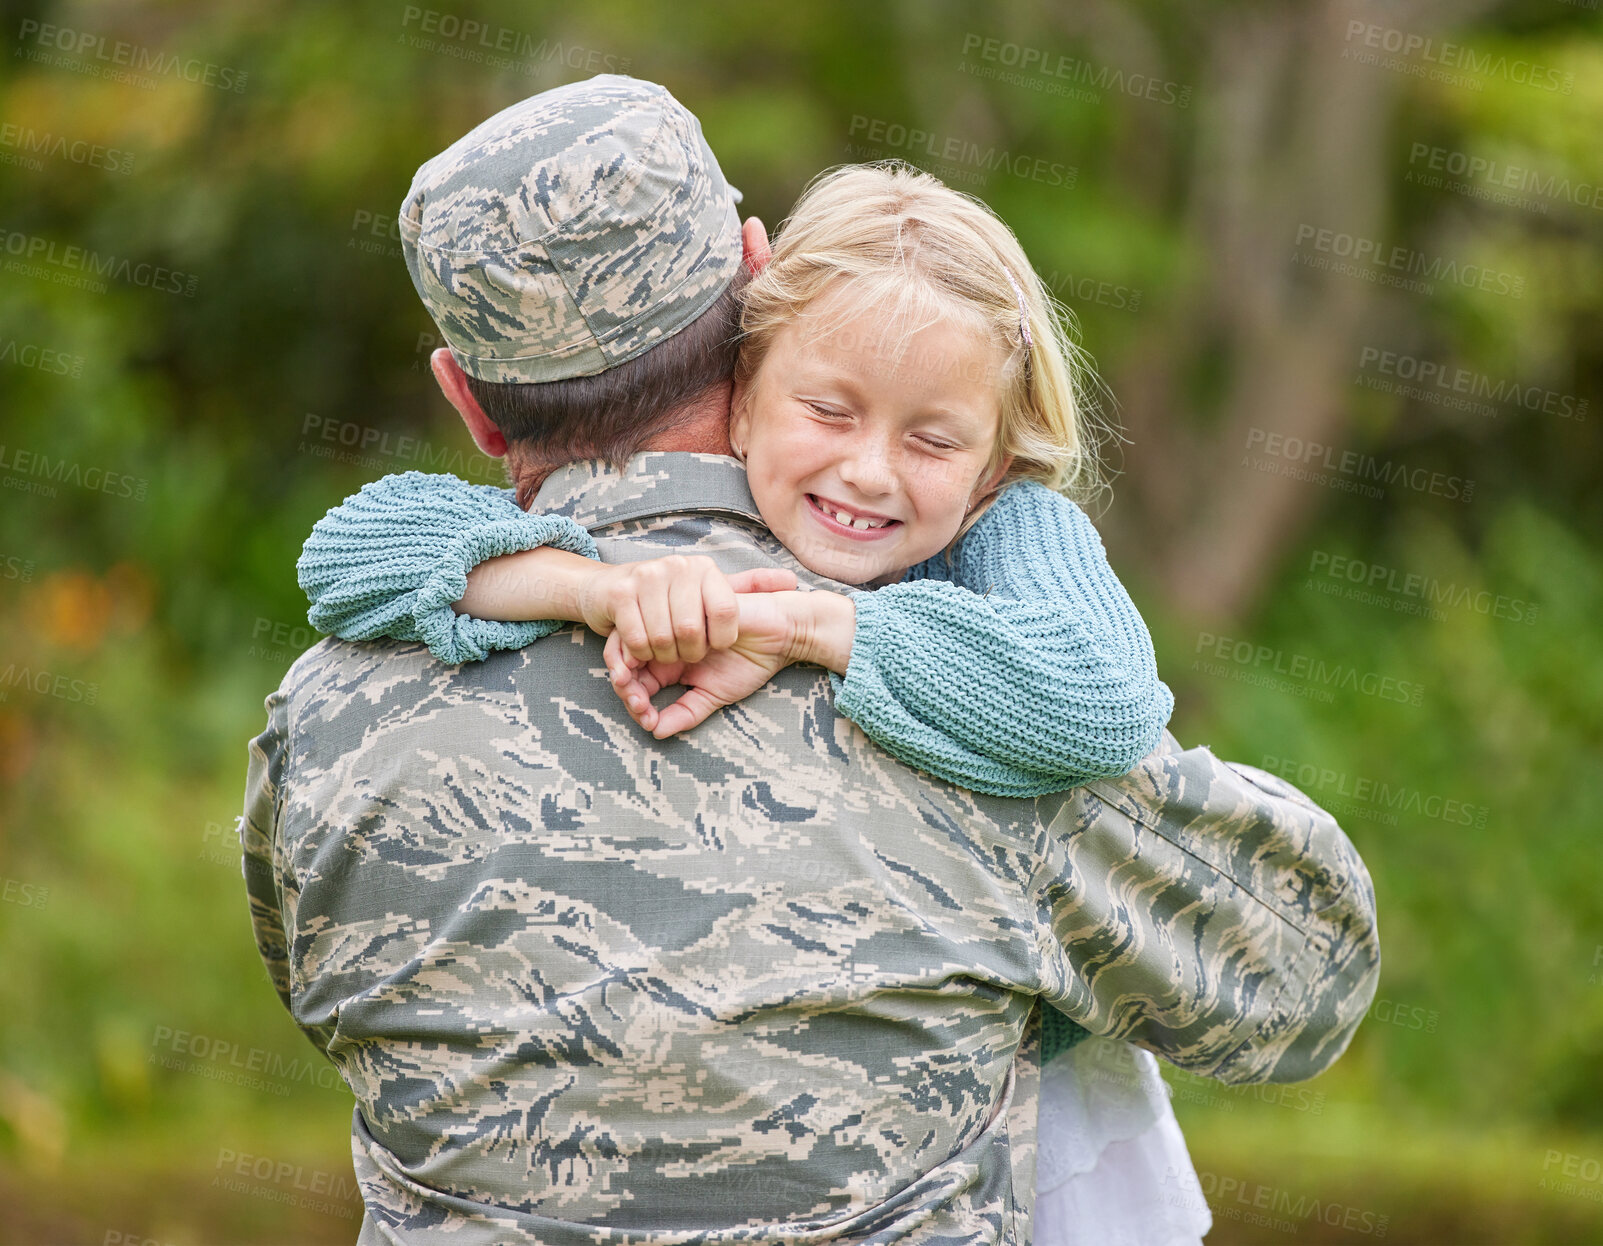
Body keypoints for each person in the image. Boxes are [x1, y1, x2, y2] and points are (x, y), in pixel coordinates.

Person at [243, 75, 1380, 1245]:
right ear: (753, 287)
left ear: (468, 401)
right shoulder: (975, 718)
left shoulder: (328, 714)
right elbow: (1300, 984)